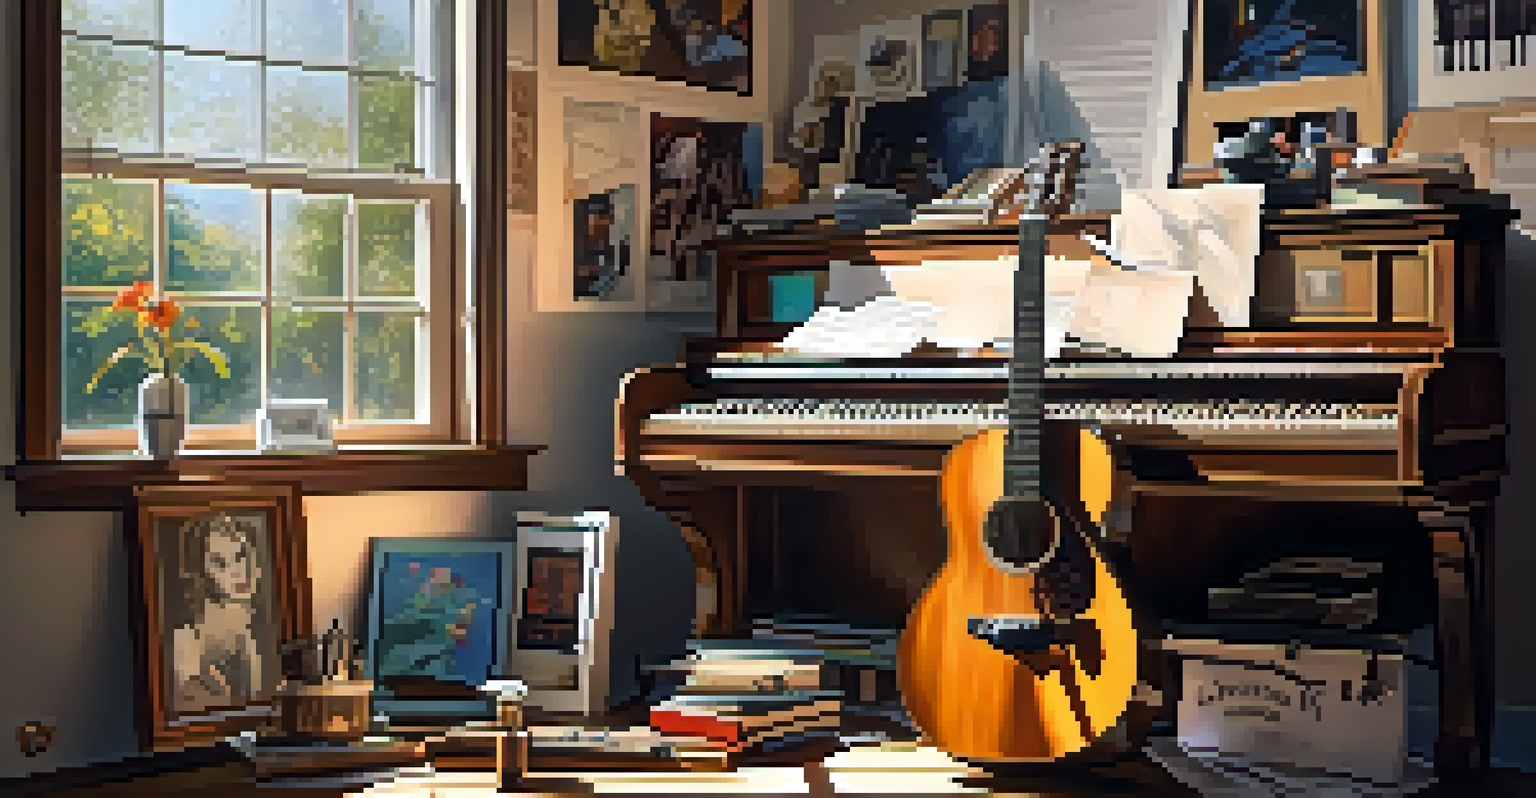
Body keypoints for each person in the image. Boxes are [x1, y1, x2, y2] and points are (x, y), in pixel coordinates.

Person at [169, 512, 270, 714]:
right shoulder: (186, 643)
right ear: (201, 574)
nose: (238, 571)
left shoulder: (250, 637)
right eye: (220, 563)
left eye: (240, 556)